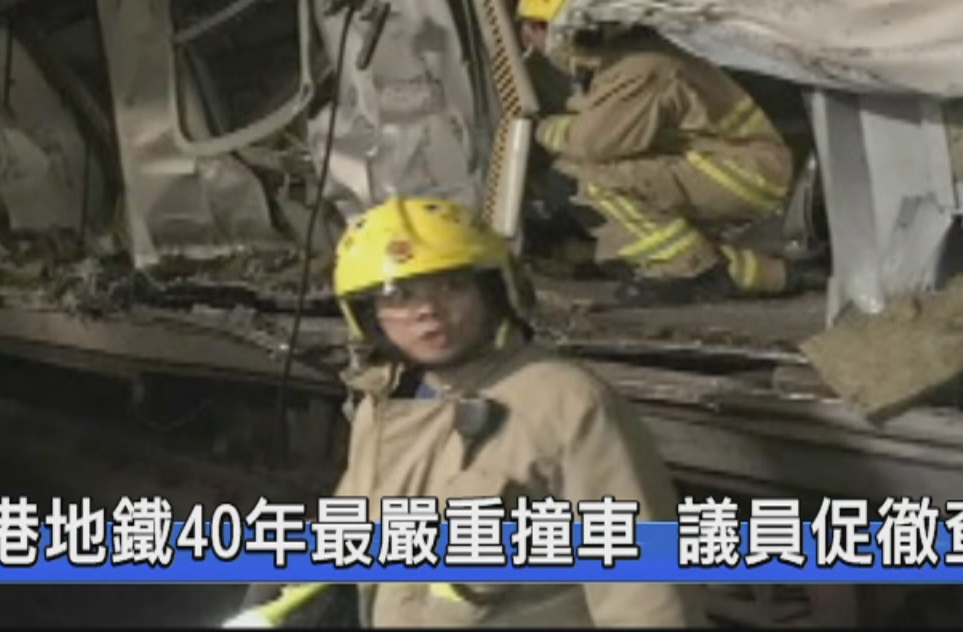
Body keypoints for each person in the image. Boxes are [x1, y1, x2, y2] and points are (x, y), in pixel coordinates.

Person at [224, 197, 697, 628]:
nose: (427, 311)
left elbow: (646, 593)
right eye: (400, 296)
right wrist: (279, 605)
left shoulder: (566, 403)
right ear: (368, 316)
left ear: (493, 291)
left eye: (451, 286)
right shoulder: (384, 406)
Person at [517, 0, 806, 306]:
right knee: (586, 182)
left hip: (744, 173)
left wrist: (538, 129)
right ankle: (764, 273)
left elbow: (590, 143)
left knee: (582, 179)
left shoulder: (640, 67)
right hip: (728, 164)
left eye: (538, 26)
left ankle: (687, 270)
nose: (532, 39)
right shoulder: (625, 59)